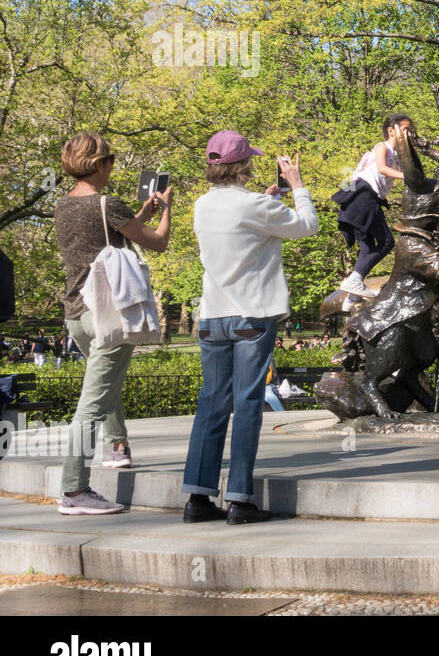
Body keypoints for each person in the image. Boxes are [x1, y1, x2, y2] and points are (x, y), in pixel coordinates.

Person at [181, 131, 318, 523]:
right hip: (251, 316)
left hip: (212, 316)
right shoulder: (257, 205)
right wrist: (296, 186)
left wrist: (267, 201)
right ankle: (240, 499)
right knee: (247, 405)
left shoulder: (202, 205)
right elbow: (307, 225)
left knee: (211, 404)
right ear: (243, 166)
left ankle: (198, 498)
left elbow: (240, 230)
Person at [53, 132, 173, 515]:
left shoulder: (61, 206)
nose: (113, 166)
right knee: (90, 406)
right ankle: (74, 491)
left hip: (77, 314)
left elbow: (103, 244)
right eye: (111, 160)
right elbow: (157, 243)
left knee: (104, 387)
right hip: (109, 314)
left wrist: (137, 217)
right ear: (99, 165)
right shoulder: (108, 204)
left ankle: (117, 446)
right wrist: (166, 209)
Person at [336, 114, 411, 300]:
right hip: (363, 199)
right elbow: (382, 168)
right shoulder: (382, 147)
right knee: (387, 242)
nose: (409, 134)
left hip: (364, 202)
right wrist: (408, 176)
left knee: (367, 247)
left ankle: (351, 297)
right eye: (406, 130)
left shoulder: (398, 157)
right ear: (391, 131)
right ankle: (354, 280)